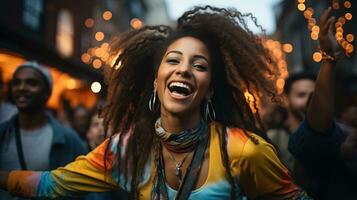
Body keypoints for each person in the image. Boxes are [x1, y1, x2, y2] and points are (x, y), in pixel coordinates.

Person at [0, 6, 311, 199]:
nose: (184, 69)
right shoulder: (125, 150)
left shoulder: (243, 150)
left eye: (199, 65)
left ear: (210, 90)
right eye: (173, 60)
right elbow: (51, 186)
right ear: (155, 80)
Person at [288, 7, 357, 199]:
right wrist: (328, 61)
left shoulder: (344, 132)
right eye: (302, 95)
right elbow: (316, 133)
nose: (312, 100)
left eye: (316, 93)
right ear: (286, 100)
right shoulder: (283, 139)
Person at [0, 61, 87, 200]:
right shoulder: (2, 133)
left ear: (47, 92)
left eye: (32, 83)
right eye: (16, 83)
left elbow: (84, 190)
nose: (22, 88)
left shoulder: (68, 139)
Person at [267, 72, 316, 171]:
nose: (309, 100)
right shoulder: (273, 138)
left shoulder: (332, 132)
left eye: (314, 96)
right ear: (285, 99)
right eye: (301, 95)